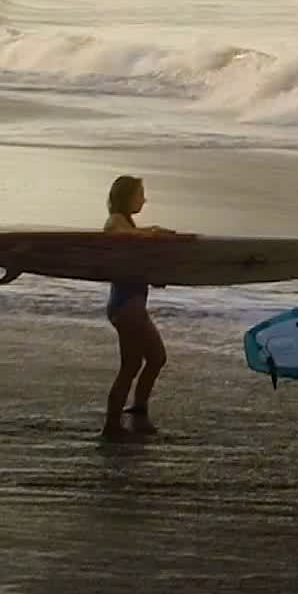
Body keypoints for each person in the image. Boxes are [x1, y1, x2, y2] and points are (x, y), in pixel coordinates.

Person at [98, 173, 191, 444]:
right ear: (127, 196)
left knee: (138, 362)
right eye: (140, 193)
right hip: (127, 307)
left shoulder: (127, 222)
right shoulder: (116, 221)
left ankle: (132, 414)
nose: (144, 198)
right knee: (150, 360)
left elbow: (130, 263)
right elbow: (120, 237)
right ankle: (116, 423)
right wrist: (152, 233)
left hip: (129, 304)